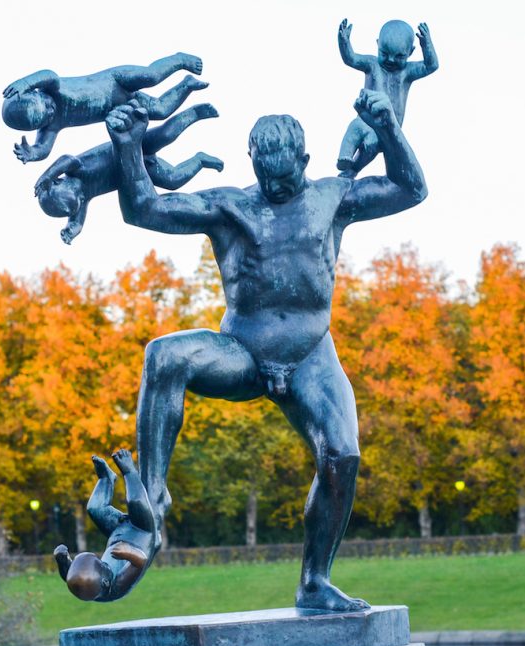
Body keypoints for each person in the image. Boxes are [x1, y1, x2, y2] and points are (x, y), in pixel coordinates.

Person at [103, 87, 427, 611]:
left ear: (305, 160)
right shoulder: (229, 206)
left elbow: (410, 189)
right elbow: (144, 208)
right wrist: (126, 146)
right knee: (164, 355)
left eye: (288, 179)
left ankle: (315, 582)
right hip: (244, 350)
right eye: (267, 180)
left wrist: (388, 127)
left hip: (310, 356)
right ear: (251, 161)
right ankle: (152, 502)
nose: (277, 189)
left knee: (342, 456)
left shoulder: (332, 197)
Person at [33, 103, 223, 244]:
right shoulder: (81, 198)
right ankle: (200, 160)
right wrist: (72, 229)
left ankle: (195, 113)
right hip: (138, 171)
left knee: (165, 135)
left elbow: (67, 159)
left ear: (59, 181)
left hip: (132, 144)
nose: (82, 195)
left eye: (76, 192)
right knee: (173, 179)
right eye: (79, 199)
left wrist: (47, 176)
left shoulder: (76, 169)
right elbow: (77, 218)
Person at [2, 53, 206, 164]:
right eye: (44, 117)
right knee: (160, 110)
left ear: (37, 91)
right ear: (38, 125)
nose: (50, 110)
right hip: (119, 106)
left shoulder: (53, 88)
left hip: (116, 81)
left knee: (151, 76)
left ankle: (180, 60)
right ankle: (186, 85)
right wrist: (32, 154)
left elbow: (49, 73)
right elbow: (44, 149)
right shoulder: (52, 126)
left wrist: (24, 82)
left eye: (45, 104)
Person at [335, 19, 438, 177]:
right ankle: (345, 157)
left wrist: (427, 45)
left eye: (399, 56)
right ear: (377, 44)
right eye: (384, 53)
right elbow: (351, 59)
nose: (390, 60)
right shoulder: (372, 64)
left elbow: (431, 66)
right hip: (366, 118)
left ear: (410, 52)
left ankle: (354, 168)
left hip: (388, 127)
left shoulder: (407, 72)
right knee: (356, 127)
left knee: (372, 143)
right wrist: (344, 42)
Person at [54, 449, 158, 602]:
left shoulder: (87, 584)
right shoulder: (115, 587)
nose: (103, 562)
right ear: (105, 582)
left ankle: (106, 479)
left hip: (117, 533)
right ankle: (130, 471)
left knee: (95, 508)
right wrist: (128, 552)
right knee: (136, 503)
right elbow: (140, 562)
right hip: (141, 533)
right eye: (102, 565)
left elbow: (70, 576)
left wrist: (62, 561)